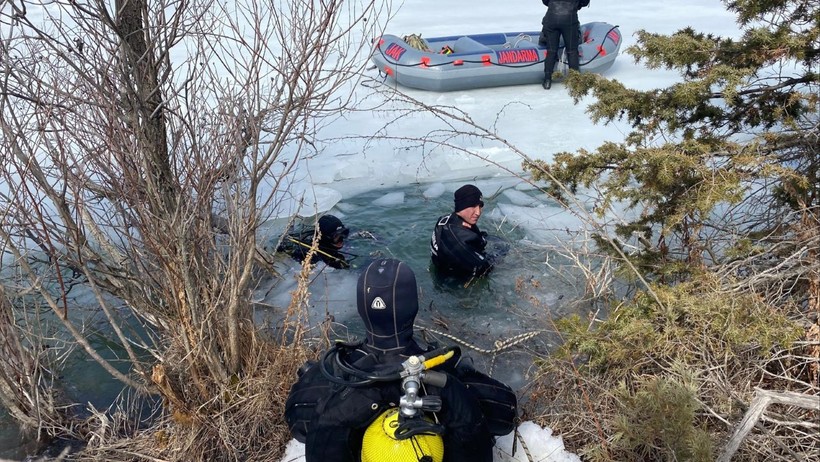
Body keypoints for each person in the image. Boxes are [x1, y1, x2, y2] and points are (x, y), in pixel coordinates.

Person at [285, 258, 517, 462]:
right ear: (413, 306)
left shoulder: (332, 375)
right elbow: (506, 412)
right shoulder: (445, 372)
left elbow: (298, 424)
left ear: (361, 307)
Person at [430, 184, 494, 278]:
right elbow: (484, 268)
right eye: (473, 206)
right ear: (461, 206)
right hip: (454, 284)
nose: (478, 212)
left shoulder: (446, 219)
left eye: (480, 206)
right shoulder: (459, 241)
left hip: (444, 267)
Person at [538, 0, 590, 89]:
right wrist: (576, 5)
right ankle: (574, 81)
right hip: (569, 19)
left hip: (551, 18)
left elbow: (545, 1)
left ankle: (547, 80)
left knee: (551, 50)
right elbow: (585, 2)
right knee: (572, 51)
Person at [279, 214, 351, 269]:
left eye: (344, 233)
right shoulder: (313, 255)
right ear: (325, 238)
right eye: (336, 236)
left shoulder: (337, 243)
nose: (341, 240)